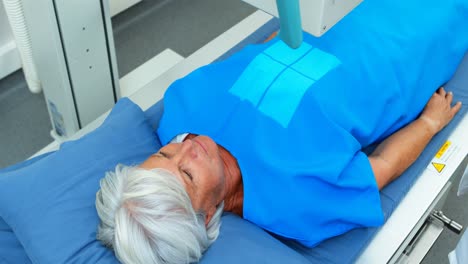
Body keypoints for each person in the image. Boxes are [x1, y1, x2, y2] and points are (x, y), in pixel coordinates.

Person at [94, 0, 467, 262]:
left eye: (164, 155)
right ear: (206, 216)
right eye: (188, 175)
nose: (185, 148)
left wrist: (280, 36)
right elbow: (382, 166)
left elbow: (245, 60)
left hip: (315, 22)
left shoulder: (178, 114)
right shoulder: (294, 202)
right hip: (398, 47)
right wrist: (429, 123)